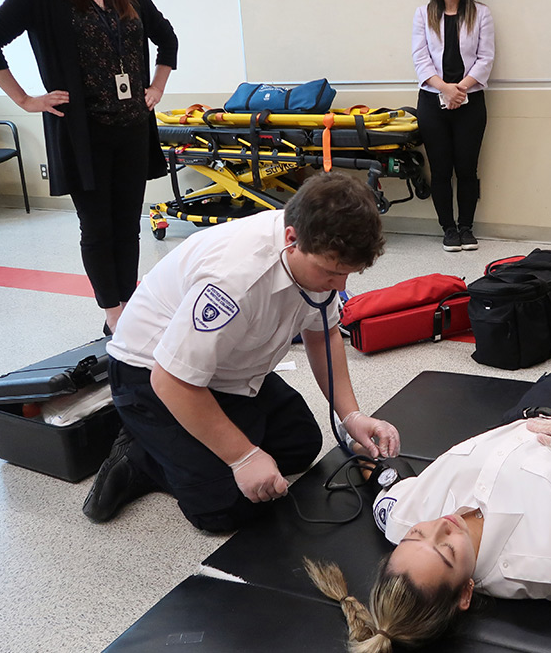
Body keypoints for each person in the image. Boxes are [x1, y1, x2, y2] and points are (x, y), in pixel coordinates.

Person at [306, 286, 551, 650]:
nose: (441, 525)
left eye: (419, 535)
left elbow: (383, 478)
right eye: (446, 548)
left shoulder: (398, 520)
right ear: (465, 594)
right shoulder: (549, 567)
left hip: (530, 415)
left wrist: (364, 444)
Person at [81, 173, 401, 532]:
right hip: (150, 376)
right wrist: (242, 456)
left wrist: (351, 416)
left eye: (348, 274)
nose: (340, 286)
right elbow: (169, 380)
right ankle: (140, 455)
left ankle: (182, 449)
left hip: (224, 368)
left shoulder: (313, 249)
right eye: (331, 272)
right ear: (291, 240)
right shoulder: (235, 278)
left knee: (302, 443)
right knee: (225, 507)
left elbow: (322, 334)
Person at [0, 0, 177, 335]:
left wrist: (156, 88)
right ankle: (114, 314)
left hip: (132, 128)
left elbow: (167, 38)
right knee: (98, 226)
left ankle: (129, 300)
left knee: (127, 223)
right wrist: (26, 100)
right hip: (84, 133)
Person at [411, 0, 494, 253]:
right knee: (441, 170)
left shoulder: (480, 13)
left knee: (467, 169)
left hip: (471, 102)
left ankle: (467, 228)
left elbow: (486, 59)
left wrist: (460, 89)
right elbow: (420, 59)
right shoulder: (423, 14)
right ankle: (448, 229)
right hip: (432, 103)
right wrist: (445, 89)